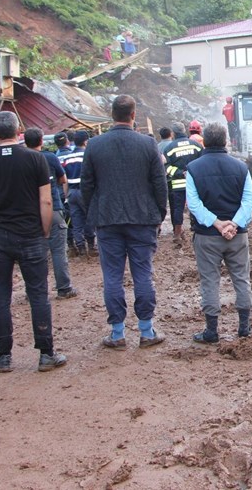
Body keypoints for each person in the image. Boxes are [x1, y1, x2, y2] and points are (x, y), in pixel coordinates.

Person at [0, 111, 67, 373]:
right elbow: (46, 200)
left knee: (0, 295)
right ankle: (46, 354)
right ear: (18, 130)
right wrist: (44, 230)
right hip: (31, 233)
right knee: (38, 294)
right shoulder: (35, 159)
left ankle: (4, 357)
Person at [81, 95, 167, 349]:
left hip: (107, 219)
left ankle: (117, 333)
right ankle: (146, 331)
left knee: (112, 276)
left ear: (112, 115)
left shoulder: (94, 145)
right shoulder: (148, 144)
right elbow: (159, 183)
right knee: (143, 274)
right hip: (142, 218)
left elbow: (87, 185)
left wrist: (95, 212)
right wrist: (159, 214)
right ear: (133, 115)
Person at [186, 122, 252, 343]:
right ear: (225, 141)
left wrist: (216, 223)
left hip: (206, 236)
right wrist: (234, 224)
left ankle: (211, 331)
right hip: (238, 236)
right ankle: (244, 328)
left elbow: (194, 205)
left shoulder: (193, 168)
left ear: (205, 142)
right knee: (242, 279)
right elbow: (249, 201)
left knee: (209, 281)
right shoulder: (241, 167)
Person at [24, 129, 76, 299]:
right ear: (41, 141)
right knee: (58, 251)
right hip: (53, 208)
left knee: (33, 254)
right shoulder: (50, 157)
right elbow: (63, 179)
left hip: (30, 212)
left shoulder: (21, 160)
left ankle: (34, 291)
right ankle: (64, 288)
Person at [162, 121, 203, 245]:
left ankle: (177, 233)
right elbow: (203, 161)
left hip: (178, 184)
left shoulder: (169, 148)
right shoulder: (196, 145)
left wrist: (180, 173)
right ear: (184, 130)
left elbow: (166, 167)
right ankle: (199, 230)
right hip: (195, 183)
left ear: (173, 133)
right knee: (197, 206)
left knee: (178, 209)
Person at [60, 130, 95, 256]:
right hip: (85, 192)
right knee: (89, 218)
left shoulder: (67, 158)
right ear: (86, 142)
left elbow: (64, 180)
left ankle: (80, 247)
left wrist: (66, 195)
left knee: (76, 220)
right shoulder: (87, 156)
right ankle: (91, 246)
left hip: (71, 192)